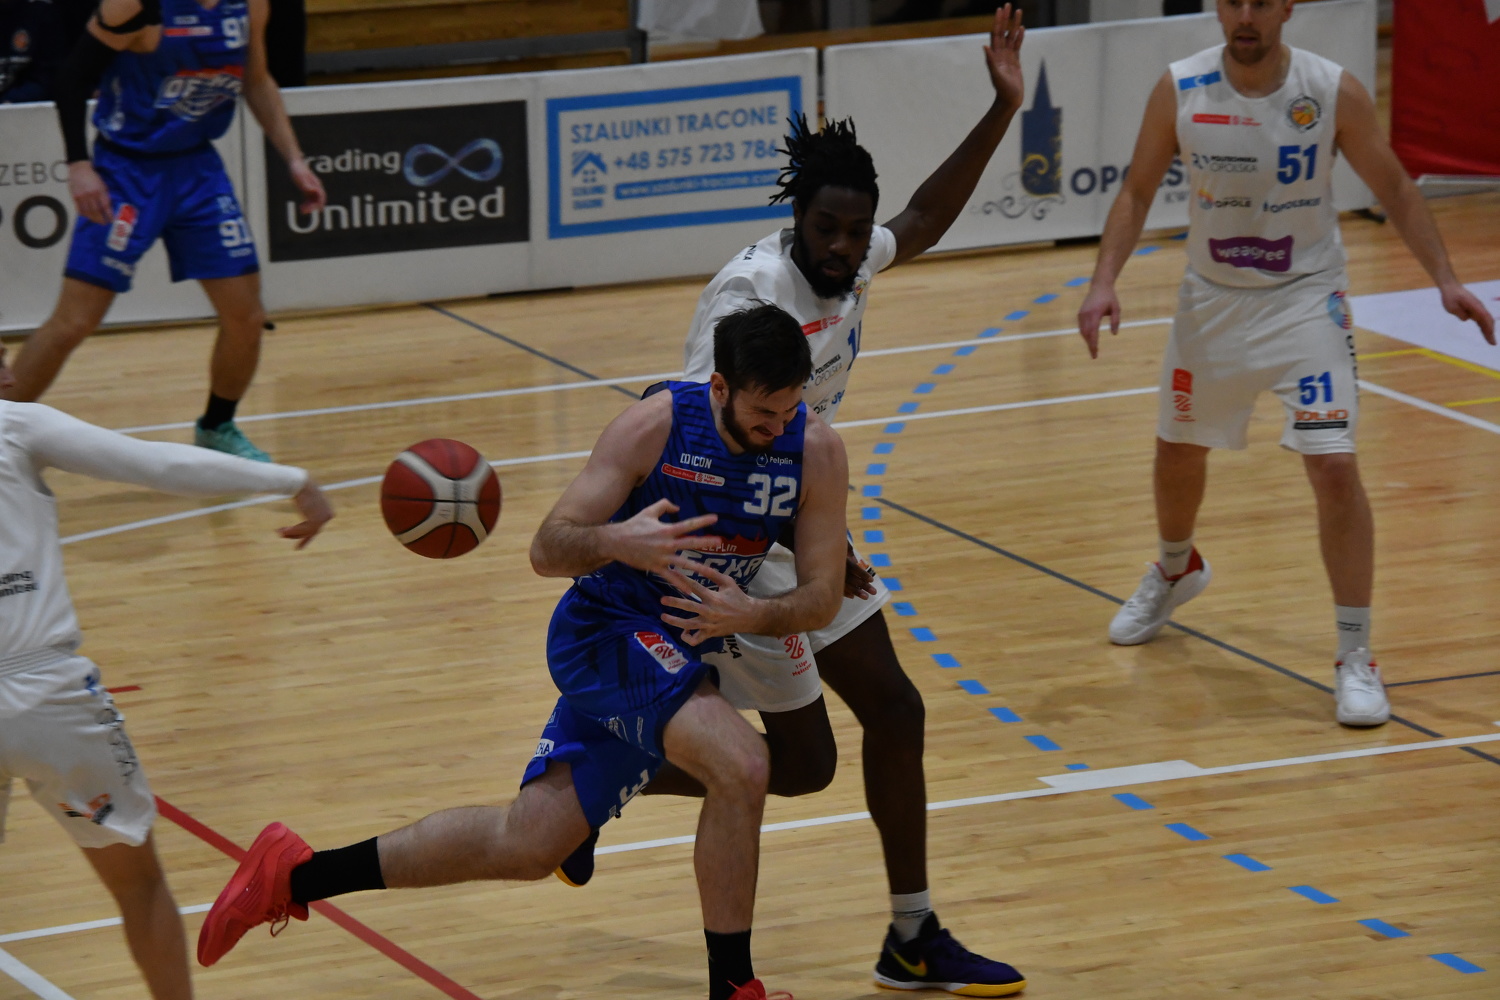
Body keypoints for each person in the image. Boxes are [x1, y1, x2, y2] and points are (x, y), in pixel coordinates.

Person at [559, 7, 1030, 997]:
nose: (847, 247)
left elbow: (926, 220)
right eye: (829, 230)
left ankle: (912, 935)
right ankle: (581, 786)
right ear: (797, 220)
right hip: (727, 530)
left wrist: (1003, 106)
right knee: (802, 761)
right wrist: (808, 546)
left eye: (856, 232)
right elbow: (689, 430)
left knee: (886, 715)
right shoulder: (751, 302)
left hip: (791, 512)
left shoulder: (851, 258)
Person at [196, 304, 851, 1000]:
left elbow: (822, 596)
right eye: (762, 412)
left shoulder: (815, 450)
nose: (777, 426)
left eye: (789, 409)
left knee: (528, 844)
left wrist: (757, 613)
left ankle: (294, 875)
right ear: (720, 387)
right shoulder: (654, 426)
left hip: (676, 652)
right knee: (743, 764)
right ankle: (735, 988)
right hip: (608, 630)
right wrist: (615, 540)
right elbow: (547, 548)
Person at [1075, 0, 1495, 726]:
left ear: (1287, 7)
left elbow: (1395, 186)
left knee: (1333, 465)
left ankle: (1356, 655)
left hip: (1306, 300)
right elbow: (1137, 190)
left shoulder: (1330, 89)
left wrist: (1446, 279)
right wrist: (1102, 281)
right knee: (1177, 450)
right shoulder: (1180, 86)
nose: (1247, 16)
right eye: (1235, 1)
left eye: (1262, 2)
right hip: (1211, 301)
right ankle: (1176, 568)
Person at [0, 343, 332, 1000]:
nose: (11, 369)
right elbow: (158, 464)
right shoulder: (17, 424)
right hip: (49, 698)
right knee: (139, 885)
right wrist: (290, 480)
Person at [0, 0, 326, 461]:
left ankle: (216, 426)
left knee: (247, 316)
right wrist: (79, 164)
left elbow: (256, 79)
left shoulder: (250, 5)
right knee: (74, 322)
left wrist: (294, 159)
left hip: (197, 170)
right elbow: (71, 78)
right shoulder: (137, 5)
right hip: (126, 171)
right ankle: (3, 429)